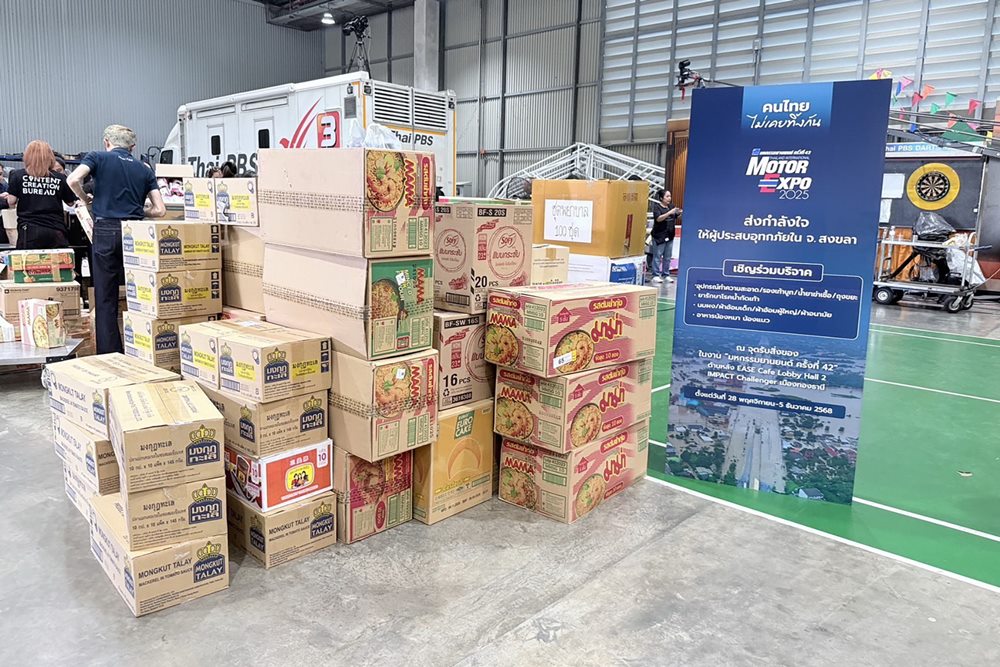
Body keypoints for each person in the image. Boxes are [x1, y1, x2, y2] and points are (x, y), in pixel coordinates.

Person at [68, 124, 165, 354]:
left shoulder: (97, 157)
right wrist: (141, 211)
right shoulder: (144, 169)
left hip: (106, 230)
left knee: (105, 296)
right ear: (133, 147)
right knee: (141, 292)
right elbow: (160, 210)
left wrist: (86, 199)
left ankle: (111, 353)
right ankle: (143, 347)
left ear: (106, 142)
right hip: (135, 232)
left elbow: (72, 180)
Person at [3, 140, 79, 249]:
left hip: (29, 230)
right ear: (50, 158)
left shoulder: (17, 176)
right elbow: (71, 203)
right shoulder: (60, 178)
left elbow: (11, 201)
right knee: (57, 259)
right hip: (55, 229)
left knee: (30, 259)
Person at [650, 188, 681, 284]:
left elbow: (677, 217)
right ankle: (655, 275)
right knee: (657, 256)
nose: (669, 198)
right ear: (661, 198)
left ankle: (666, 274)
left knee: (667, 257)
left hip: (670, 235)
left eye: (670, 196)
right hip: (659, 236)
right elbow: (658, 219)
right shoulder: (657, 207)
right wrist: (669, 212)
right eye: (667, 196)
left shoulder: (671, 206)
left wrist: (679, 213)